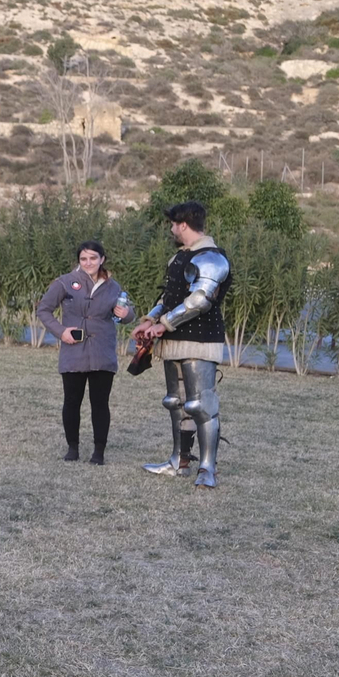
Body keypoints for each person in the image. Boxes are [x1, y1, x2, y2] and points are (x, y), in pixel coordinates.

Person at [132, 200, 232, 488]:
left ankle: (207, 468)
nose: (172, 229)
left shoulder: (213, 258)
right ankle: (179, 460)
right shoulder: (179, 258)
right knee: (176, 403)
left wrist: (164, 323)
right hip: (173, 338)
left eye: (174, 224)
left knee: (201, 405)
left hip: (199, 340)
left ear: (184, 224)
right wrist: (150, 320)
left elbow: (199, 301)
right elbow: (169, 297)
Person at [35, 240, 133, 465]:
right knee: (71, 401)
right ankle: (73, 447)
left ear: (102, 259)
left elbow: (127, 315)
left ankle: (99, 451)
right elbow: (44, 309)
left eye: (93, 258)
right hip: (73, 350)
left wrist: (126, 313)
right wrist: (61, 332)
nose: (88, 263)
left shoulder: (113, 286)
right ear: (78, 261)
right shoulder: (65, 282)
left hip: (102, 351)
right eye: (83, 259)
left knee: (100, 403)